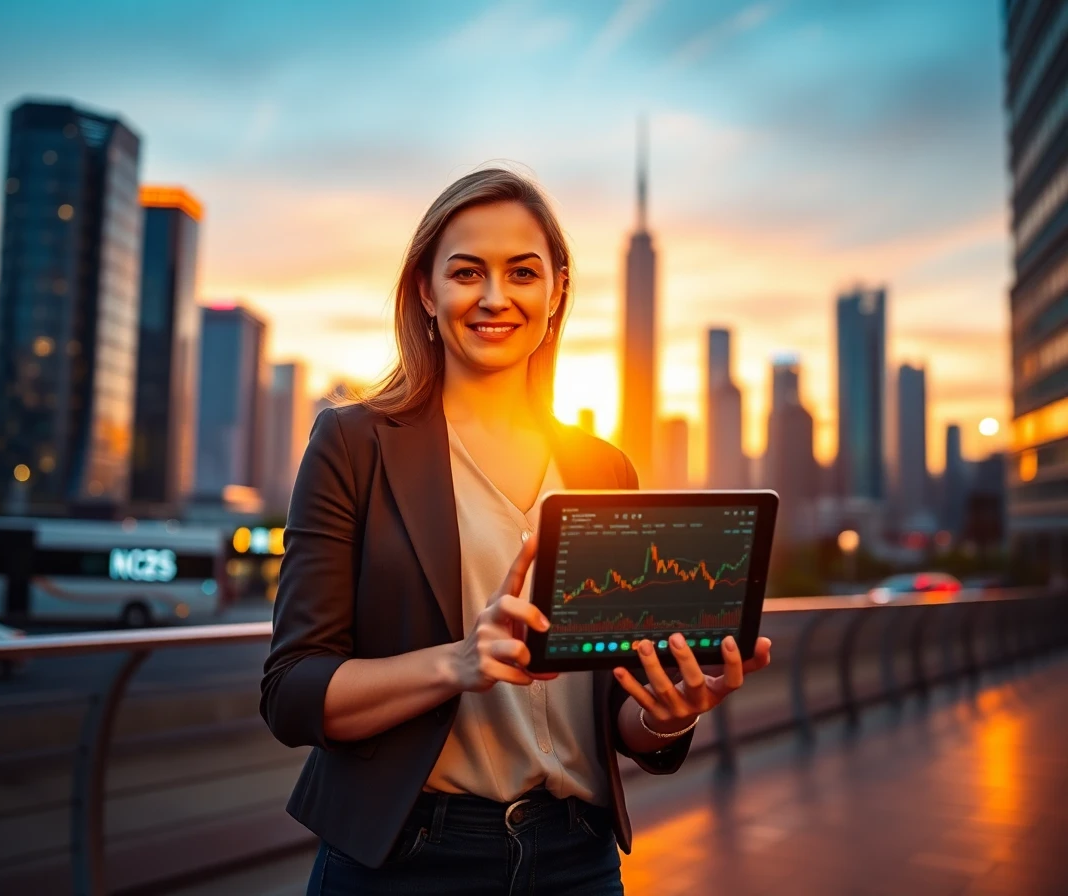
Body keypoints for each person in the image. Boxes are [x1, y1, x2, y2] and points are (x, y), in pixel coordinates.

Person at [260, 168, 772, 895]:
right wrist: (459, 663)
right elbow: (292, 691)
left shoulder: (603, 468)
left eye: (522, 273)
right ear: (425, 292)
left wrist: (667, 713)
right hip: (404, 861)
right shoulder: (354, 443)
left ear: (557, 290)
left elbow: (613, 714)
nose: (495, 297)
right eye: (467, 272)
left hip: (576, 859)